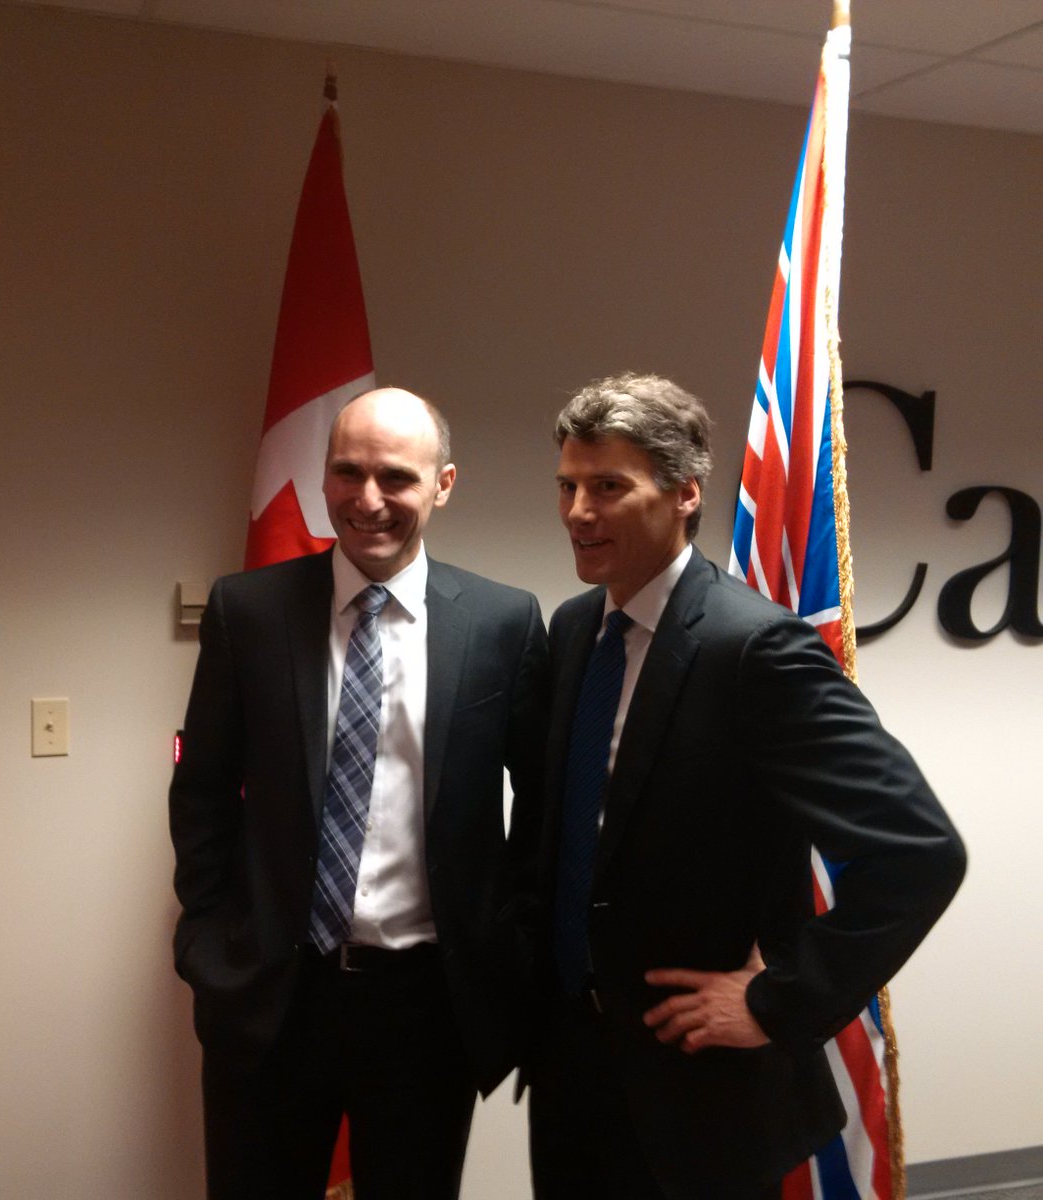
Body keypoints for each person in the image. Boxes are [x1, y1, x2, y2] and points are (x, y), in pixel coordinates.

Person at [527, 372, 965, 1200]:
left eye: (608, 487)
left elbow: (919, 850)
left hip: (701, 1086)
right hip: (572, 1071)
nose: (578, 511)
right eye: (567, 486)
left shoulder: (755, 649)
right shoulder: (576, 628)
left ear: (685, 493)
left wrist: (777, 1000)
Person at [169, 387, 547, 1200]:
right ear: (324, 476)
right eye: (348, 472)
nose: (367, 499)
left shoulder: (503, 623)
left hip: (425, 1007)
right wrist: (207, 941)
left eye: (396, 477)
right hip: (273, 993)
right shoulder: (249, 611)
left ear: (443, 484)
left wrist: (510, 945)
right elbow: (201, 791)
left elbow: (543, 803)